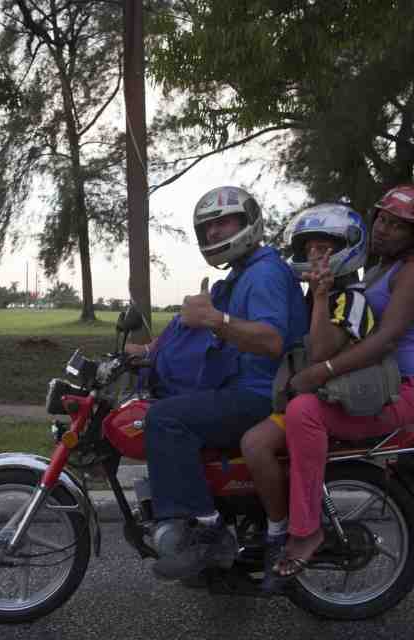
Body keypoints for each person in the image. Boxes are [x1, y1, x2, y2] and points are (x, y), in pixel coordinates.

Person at [259, 185, 414, 586]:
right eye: (382, 219)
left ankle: (306, 531)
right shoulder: (376, 271)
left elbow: (385, 340)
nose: (384, 229)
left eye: (398, 226)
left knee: (304, 413)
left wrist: (321, 371)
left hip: (395, 390)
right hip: (358, 384)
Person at [130, 185, 308, 581]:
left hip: (262, 393)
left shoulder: (264, 273)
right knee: (169, 405)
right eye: (207, 227)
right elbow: (199, 330)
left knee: (165, 419)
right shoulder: (241, 274)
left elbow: (271, 340)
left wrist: (215, 319)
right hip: (241, 386)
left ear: (248, 222)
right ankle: (219, 513)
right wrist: (146, 352)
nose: (213, 232)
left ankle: (208, 531)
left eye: (223, 222)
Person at [239, 203, 375, 590]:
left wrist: (320, 296)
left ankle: (279, 533)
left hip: (327, 402)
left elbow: (320, 351)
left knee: (254, 445)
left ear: (348, 248)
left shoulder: (352, 299)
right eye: (310, 248)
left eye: (325, 248)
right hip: (299, 396)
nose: (315, 255)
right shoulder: (313, 295)